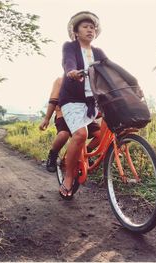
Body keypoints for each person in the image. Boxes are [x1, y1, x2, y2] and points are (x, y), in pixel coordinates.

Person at [58, 11, 107, 200]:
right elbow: (68, 61)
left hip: (92, 101)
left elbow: (110, 71)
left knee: (108, 129)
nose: (90, 29)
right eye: (85, 26)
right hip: (71, 100)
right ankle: (69, 176)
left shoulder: (99, 53)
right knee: (81, 134)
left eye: (92, 27)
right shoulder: (70, 46)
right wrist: (71, 71)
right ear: (76, 31)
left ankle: (84, 158)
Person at [39, 77, 101, 173]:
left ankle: (85, 154)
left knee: (100, 135)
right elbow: (53, 100)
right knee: (64, 134)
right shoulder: (60, 80)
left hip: (82, 115)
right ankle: (53, 155)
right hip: (64, 114)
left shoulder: (87, 81)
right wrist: (46, 118)